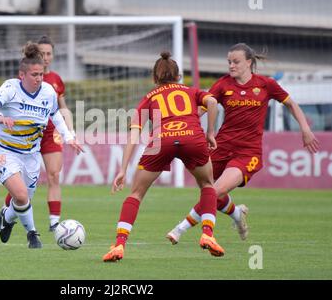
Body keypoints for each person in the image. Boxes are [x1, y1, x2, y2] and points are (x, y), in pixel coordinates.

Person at [166, 43, 319, 243]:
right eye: (229, 62)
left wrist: (305, 129)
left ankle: (180, 229)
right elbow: (202, 109)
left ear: (249, 62)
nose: (231, 65)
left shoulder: (266, 84)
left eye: (236, 62)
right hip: (220, 147)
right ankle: (237, 214)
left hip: (248, 153)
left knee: (215, 191)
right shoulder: (223, 85)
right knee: (211, 192)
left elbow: (290, 103)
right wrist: (181, 123)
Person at [103, 51, 224, 262]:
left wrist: (123, 169)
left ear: (154, 78)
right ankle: (208, 234)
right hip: (192, 139)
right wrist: (210, 133)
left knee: (136, 194)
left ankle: (119, 246)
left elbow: (134, 135)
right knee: (207, 185)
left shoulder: (149, 98)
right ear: (178, 76)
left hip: (161, 142)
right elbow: (212, 102)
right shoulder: (191, 91)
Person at [0, 41, 83, 249]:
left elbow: (55, 115)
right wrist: (1, 117)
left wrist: (69, 137)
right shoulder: (11, 87)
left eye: (41, 74)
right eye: (34, 75)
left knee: (22, 201)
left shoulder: (47, 91)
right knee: (20, 196)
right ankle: (32, 234)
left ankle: (7, 219)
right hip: (5, 151)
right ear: (23, 75)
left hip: (30, 155)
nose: (39, 78)